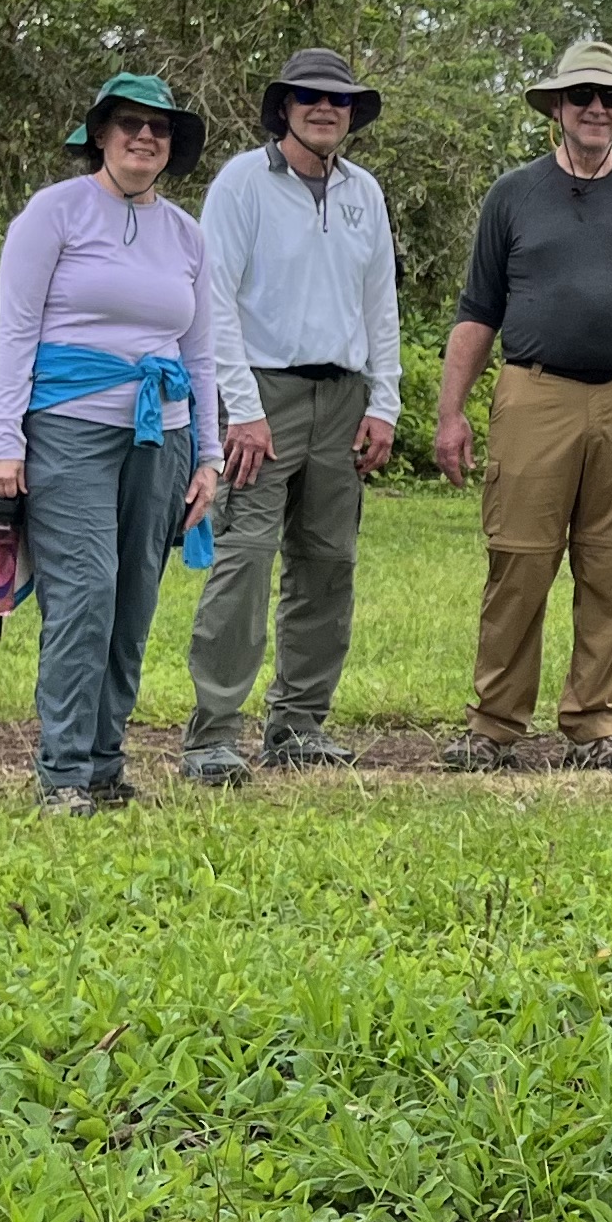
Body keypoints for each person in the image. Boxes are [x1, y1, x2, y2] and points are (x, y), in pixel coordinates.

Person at [433, 38, 612, 773]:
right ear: (556, 107)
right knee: (519, 559)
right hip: (535, 391)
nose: (598, 108)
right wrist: (451, 413)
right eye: (583, 95)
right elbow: (476, 311)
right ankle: (494, 727)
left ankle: (593, 726)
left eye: (611, 97)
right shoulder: (513, 194)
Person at [0, 74, 223, 814]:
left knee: (133, 597)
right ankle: (63, 771)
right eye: (130, 124)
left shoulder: (187, 234)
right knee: (83, 592)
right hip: (70, 428)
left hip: (162, 435)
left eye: (160, 128)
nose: (145, 137)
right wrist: (4, 442)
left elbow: (200, 352)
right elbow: (15, 331)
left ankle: (107, 762)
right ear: (101, 134)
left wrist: (207, 456)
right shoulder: (56, 213)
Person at [181, 47, 401, 785]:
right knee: (245, 557)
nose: (325, 109)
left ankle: (298, 725)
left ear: (351, 114)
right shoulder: (243, 183)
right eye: (309, 97)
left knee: (329, 563)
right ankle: (213, 733)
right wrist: (240, 410)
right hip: (264, 393)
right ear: (284, 107)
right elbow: (213, 301)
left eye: (338, 101)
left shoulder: (363, 192)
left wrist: (384, 402)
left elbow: (380, 304)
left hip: (343, 394)